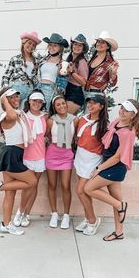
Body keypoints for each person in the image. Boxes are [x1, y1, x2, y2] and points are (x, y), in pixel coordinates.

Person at [84, 99, 139, 241]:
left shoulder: (128, 132)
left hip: (115, 167)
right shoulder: (116, 122)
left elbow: (118, 157)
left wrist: (99, 168)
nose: (122, 111)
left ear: (133, 115)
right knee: (115, 201)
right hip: (108, 164)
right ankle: (119, 232)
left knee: (89, 188)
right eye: (122, 108)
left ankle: (120, 206)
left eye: (126, 110)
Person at [0, 87, 37, 235]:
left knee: (11, 193)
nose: (16, 99)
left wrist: (7, 99)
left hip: (14, 153)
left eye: (17, 97)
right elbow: (11, 115)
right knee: (32, 182)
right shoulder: (8, 116)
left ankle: (6, 224)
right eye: (12, 97)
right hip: (12, 153)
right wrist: (3, 99)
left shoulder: (17, 115)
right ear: (5, 100)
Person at [74, 95, 108, 235]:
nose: (90, 105)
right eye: (89, 103)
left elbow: (106, 145)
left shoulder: (104, 124)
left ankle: (93, 220)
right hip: (80, 156)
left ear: (101, 106)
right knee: (83, 193)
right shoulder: (82, 119)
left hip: (93, 159)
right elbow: (77, 137)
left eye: (94, 103)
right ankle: (88, 219)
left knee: (81, 190)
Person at [13, 90, 48, 227]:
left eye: (40, 102)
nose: (37, 104)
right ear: (29, 101)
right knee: (27, 186)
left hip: (40, 156)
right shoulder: (22, 116)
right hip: (26, 156)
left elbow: (49, 134)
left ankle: (27, 214)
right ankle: (19, 212)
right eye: (34, 101)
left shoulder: (45, 117)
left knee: (34, 186)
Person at [45, 95, 79, 229]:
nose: (61, 106)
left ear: (66, 104)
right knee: (52, 185)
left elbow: (76, 137)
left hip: (67, 154)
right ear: (54, 107)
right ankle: (54, 213)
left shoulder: (74, 120)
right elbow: (46, 136)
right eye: (58, 105)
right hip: (52, 153)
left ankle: (66, 215)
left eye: (63, 103)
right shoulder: (50, 121)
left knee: (65, 185)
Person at [1, 31, 41, 109]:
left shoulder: (36, 61)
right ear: (23, 43)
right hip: (16, 89)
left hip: (30, 91)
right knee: (13, 114)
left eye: (34, 45)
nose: (31, 46)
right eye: (29, 43)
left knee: (24, 116)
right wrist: (7, 92)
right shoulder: (15, 59)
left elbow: (37, 79)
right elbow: (6, 76)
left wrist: (37, 92)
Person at [37, 33, 69, 111]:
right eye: (50, 45)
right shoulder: (42, 60)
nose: (52, 47)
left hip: (51, 89)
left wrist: (57, 95)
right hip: (38, 87)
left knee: (45, 112)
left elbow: (62, 85)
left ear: (60, 48)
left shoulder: (63, 64)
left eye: (55, 45)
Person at [85, 30, 119, 96]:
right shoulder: (91, 60)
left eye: (103, 42)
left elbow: (112, 84)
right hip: (85, 92)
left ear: (108, 46)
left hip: (96, 94)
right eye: (98, 41)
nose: (99, 44)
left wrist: (114, 74)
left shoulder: (111, 63)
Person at [65, 34, 89, 115]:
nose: (77, 47)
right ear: (72, 45)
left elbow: (84, 82)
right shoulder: (70, 59)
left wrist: (72, 72)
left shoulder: (82, 61)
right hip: (67, 90)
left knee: (64, 116)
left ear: (83, 49)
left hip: (75, 92)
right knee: (65, 118)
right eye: (75, 44)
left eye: (80, 46)